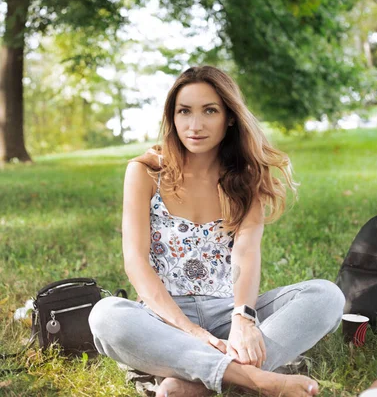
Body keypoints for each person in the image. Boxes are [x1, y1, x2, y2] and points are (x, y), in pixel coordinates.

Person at [89, 66, 345, 397]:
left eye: (209, 111)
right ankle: (257, 380)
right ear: (173, 117)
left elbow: (246, 256)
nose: (194, 125)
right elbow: (135, 262)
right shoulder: (144, 173)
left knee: (326, 296)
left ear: (230, 118)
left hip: (227, 313)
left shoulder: (246, 178)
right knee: (106, 316)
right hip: (164, 320)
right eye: (184, 111)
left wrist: (243, 320)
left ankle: (196, 382)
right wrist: (191, 330)